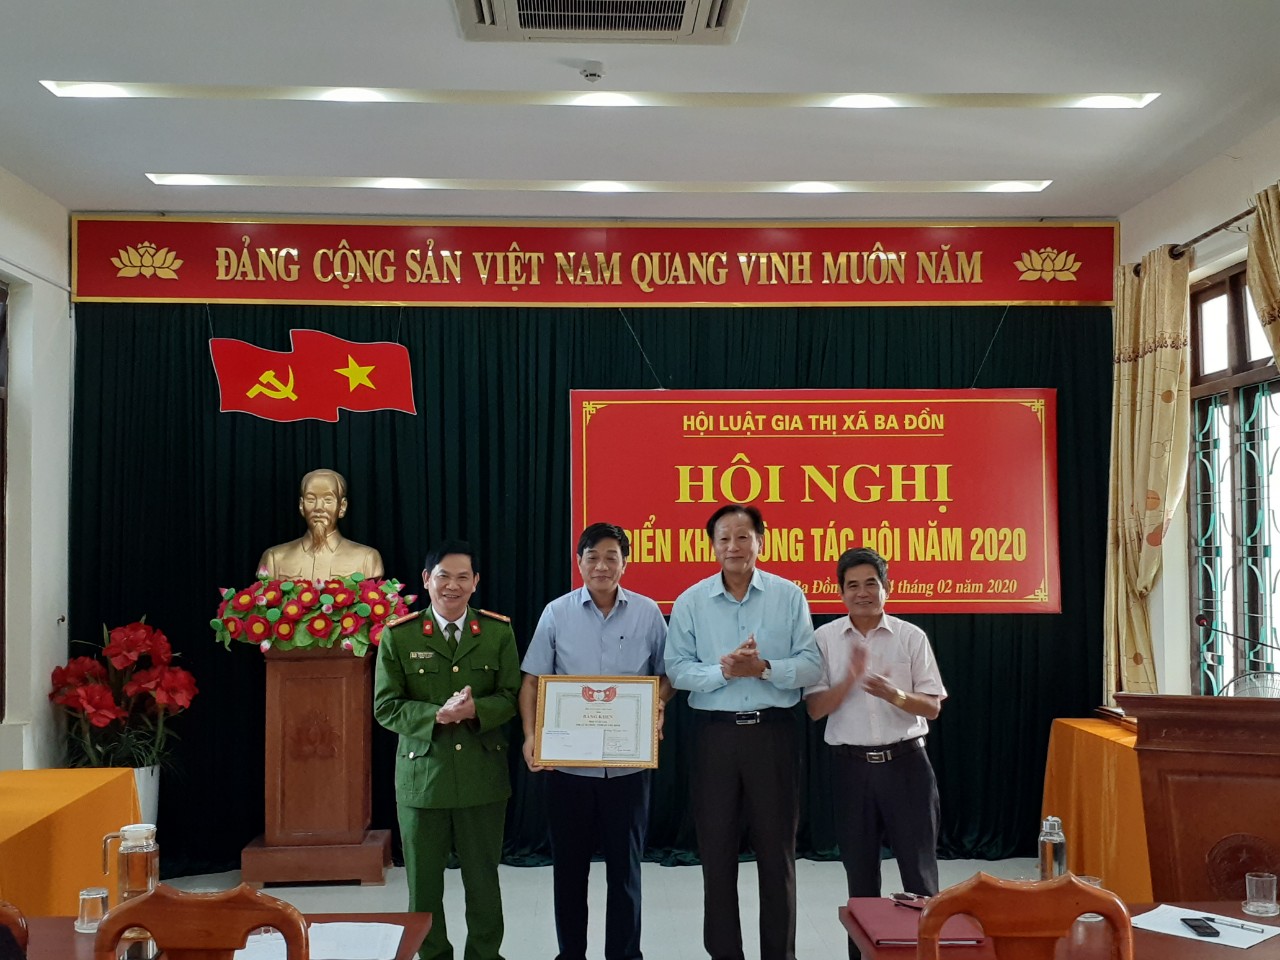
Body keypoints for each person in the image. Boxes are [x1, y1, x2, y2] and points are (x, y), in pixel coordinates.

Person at [665, 504, 822, 960]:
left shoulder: (788, 596)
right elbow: (676, 669)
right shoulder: (691, 601)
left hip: (772, 735)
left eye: (743, 537)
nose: (733, 546)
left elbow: (811, 665)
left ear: (760, 541)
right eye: (724, 538)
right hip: (714, 737)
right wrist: (725, 671)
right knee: (716, 856)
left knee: (777, 856)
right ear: (712, 545)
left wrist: (765, 668)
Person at [519, 522, 672, 960]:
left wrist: (656, 705)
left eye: (611, 557)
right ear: (579, 562)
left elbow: (668, 676)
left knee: (625, 873)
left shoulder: (648, 613)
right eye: (592, 557)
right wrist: (531, 736)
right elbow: (532, 681)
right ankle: (571, 954)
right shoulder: (556, 613)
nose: (601, 566)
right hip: (569, 769)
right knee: (569, 872)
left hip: (627, 768)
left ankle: (624, 955)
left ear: (626, 563)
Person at [374, 541, 520, 960]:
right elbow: (386, 706)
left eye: (462, 577)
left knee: (483, 881)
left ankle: (485, 955)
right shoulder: (399, 635)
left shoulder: (497, 632)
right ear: (426, 580)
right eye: (443, 576)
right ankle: (433, 955)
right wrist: (436, 715)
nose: (451, 586)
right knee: (423, 886)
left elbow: (512, 696)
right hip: (424, 779)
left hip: (481, 777)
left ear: (475, 583)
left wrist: (476, 710)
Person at [805, 546, 947, 954]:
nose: (862, 592)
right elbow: (815, 709)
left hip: (907, 765)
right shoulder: (824, 639)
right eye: (852, 586)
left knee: (920, 877)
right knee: (861, 879)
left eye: (871, 583)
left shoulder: (910, 636)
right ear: (841, 593)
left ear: (887, 588)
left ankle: (924, 954)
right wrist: (849, 679)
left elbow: (932, 706)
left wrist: (895, 694)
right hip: (851, 769)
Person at [257, 468, 384, 580]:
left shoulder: (367, 558)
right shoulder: (274, 558)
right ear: (301, 506)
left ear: (342, 507)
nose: (318, 507)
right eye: (311, 499)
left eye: (328, 500)